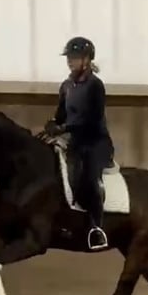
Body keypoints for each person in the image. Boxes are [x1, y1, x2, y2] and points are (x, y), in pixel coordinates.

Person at [44, 36, 114, 251]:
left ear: (86, 59)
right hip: (74, 142)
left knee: (88, 176)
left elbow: (92, 119)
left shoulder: (95, 86)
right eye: (69, 58)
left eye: (74, 58)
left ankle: (96, 227)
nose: (70, 62)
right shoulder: (66, 86)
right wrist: (53, 124)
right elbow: (61, 115)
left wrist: (64, 129)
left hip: (96, 142)